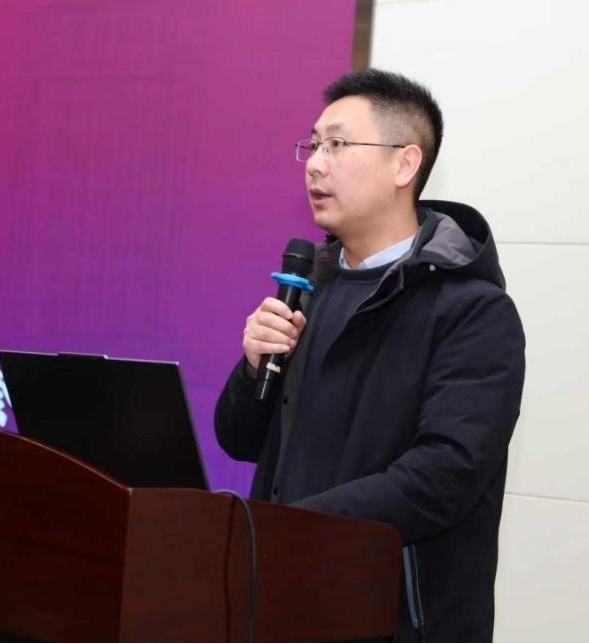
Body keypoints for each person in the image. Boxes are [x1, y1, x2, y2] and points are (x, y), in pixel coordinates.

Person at [214, 69, 526, 642]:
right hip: (284, 602)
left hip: (397, 622)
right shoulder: (310, 290)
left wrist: (293, 527)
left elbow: (446, 475)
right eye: (313, 145)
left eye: (337, 144)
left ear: (404, 165)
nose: (315, 164)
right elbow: (240, 441)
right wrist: (253, 366)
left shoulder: (473, 311)